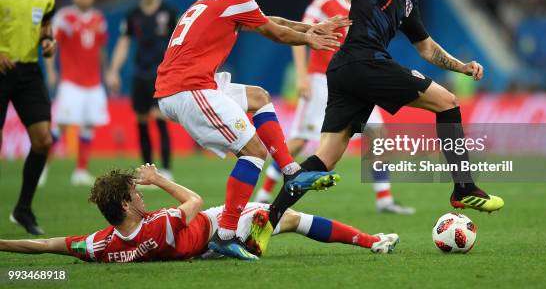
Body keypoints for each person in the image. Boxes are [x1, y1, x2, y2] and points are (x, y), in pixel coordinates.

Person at [266, 0, 505, 230]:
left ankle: (265, 219)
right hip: (364, 60)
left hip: (345, 71)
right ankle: (464, 188)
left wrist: (462, 67)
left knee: (324, 158)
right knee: (448, 102)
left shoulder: (407, 4)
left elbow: (428, 49)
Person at [153, 0, 347, 260]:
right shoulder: (233, 1)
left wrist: (312, 29)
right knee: (254, 152)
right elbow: (275, 33)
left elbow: (272, 21)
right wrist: (310, 39)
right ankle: (226, 235)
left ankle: (291, 171)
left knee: (259, 97)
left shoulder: (210, 2)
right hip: (189, 89)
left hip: (189, 86)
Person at [254, 0, 414, 215]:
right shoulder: (322, 3)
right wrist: (302, 76)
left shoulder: (367, 2)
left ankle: (384, 199)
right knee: (300, 141)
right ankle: (263, 194)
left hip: (360, 78)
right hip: (321, 80)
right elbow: (299, 34)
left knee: (377, 135)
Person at [0, 164, 400, 261]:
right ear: (124, 204)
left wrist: (3, 244)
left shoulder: (101, 244)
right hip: (211, 226)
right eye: (134, 193)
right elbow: (191, 203)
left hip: (195, 248)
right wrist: (158, 179)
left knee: (275, 218)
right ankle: (372, 242)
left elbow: (48, 244)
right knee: (290, 218)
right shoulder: (156, 224)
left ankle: (242, 238)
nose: (141, 196)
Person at [0, 0, 56, 235]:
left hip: (29, 71)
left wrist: (48, 42)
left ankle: (22, 209)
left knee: (44, 140)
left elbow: (45, 24)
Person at [106, 0, 177, 180]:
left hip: (162, 74)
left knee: (160, 118)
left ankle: (166, 169)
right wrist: (113, 70)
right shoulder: (132, 15)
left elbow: (180, 42)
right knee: (142, 120)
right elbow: (123, 42)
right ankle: (147, 170)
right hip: (140, 73)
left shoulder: (169, 12)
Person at [45, 0, 108, 186]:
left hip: (94, 83)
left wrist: (106, 73)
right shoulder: (64, 17)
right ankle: (42, 167)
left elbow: (100, 49)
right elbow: (51, 44)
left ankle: (80, 171)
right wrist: (51, 71)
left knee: (89, 125)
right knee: (62, 125)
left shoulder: (99, 19)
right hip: (71, 82)